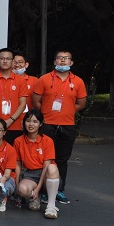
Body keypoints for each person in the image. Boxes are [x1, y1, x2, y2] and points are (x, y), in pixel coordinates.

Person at [31, 50, 86, 205]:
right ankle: (44, 191)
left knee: (62, 159)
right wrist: (46, 113)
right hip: (48, 124)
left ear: (71, 62)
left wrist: (67, 111)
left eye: (66, 58)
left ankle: (59, 190)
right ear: (54, 61)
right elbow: (36, 101)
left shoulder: (78, 81)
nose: (63, 61)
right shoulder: (44, 79)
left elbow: (81, 104)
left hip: (68, 125)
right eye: (60, 58)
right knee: (46, 159)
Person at [14, 109, 61, 219]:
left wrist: (37, 189)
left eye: (35, 122)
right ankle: (34, 197)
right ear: (24, 123)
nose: (31, 124)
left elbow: (46, 167)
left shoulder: (47, 141)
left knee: (52, 167)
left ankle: (51, 206)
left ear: (40, 124)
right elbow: (18, 165)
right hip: (30, 175)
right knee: (22, 189)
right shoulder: (18, 141)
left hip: (46, 175)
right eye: (28, 121)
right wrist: (17, 187)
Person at [0, 48, 29, 144]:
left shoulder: (21, 81)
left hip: (14, 126)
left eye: (8, 59)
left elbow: (23, 104)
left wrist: (10, 120)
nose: (5, 61)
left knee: (14, 152)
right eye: (2, 58)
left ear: (13, 61)